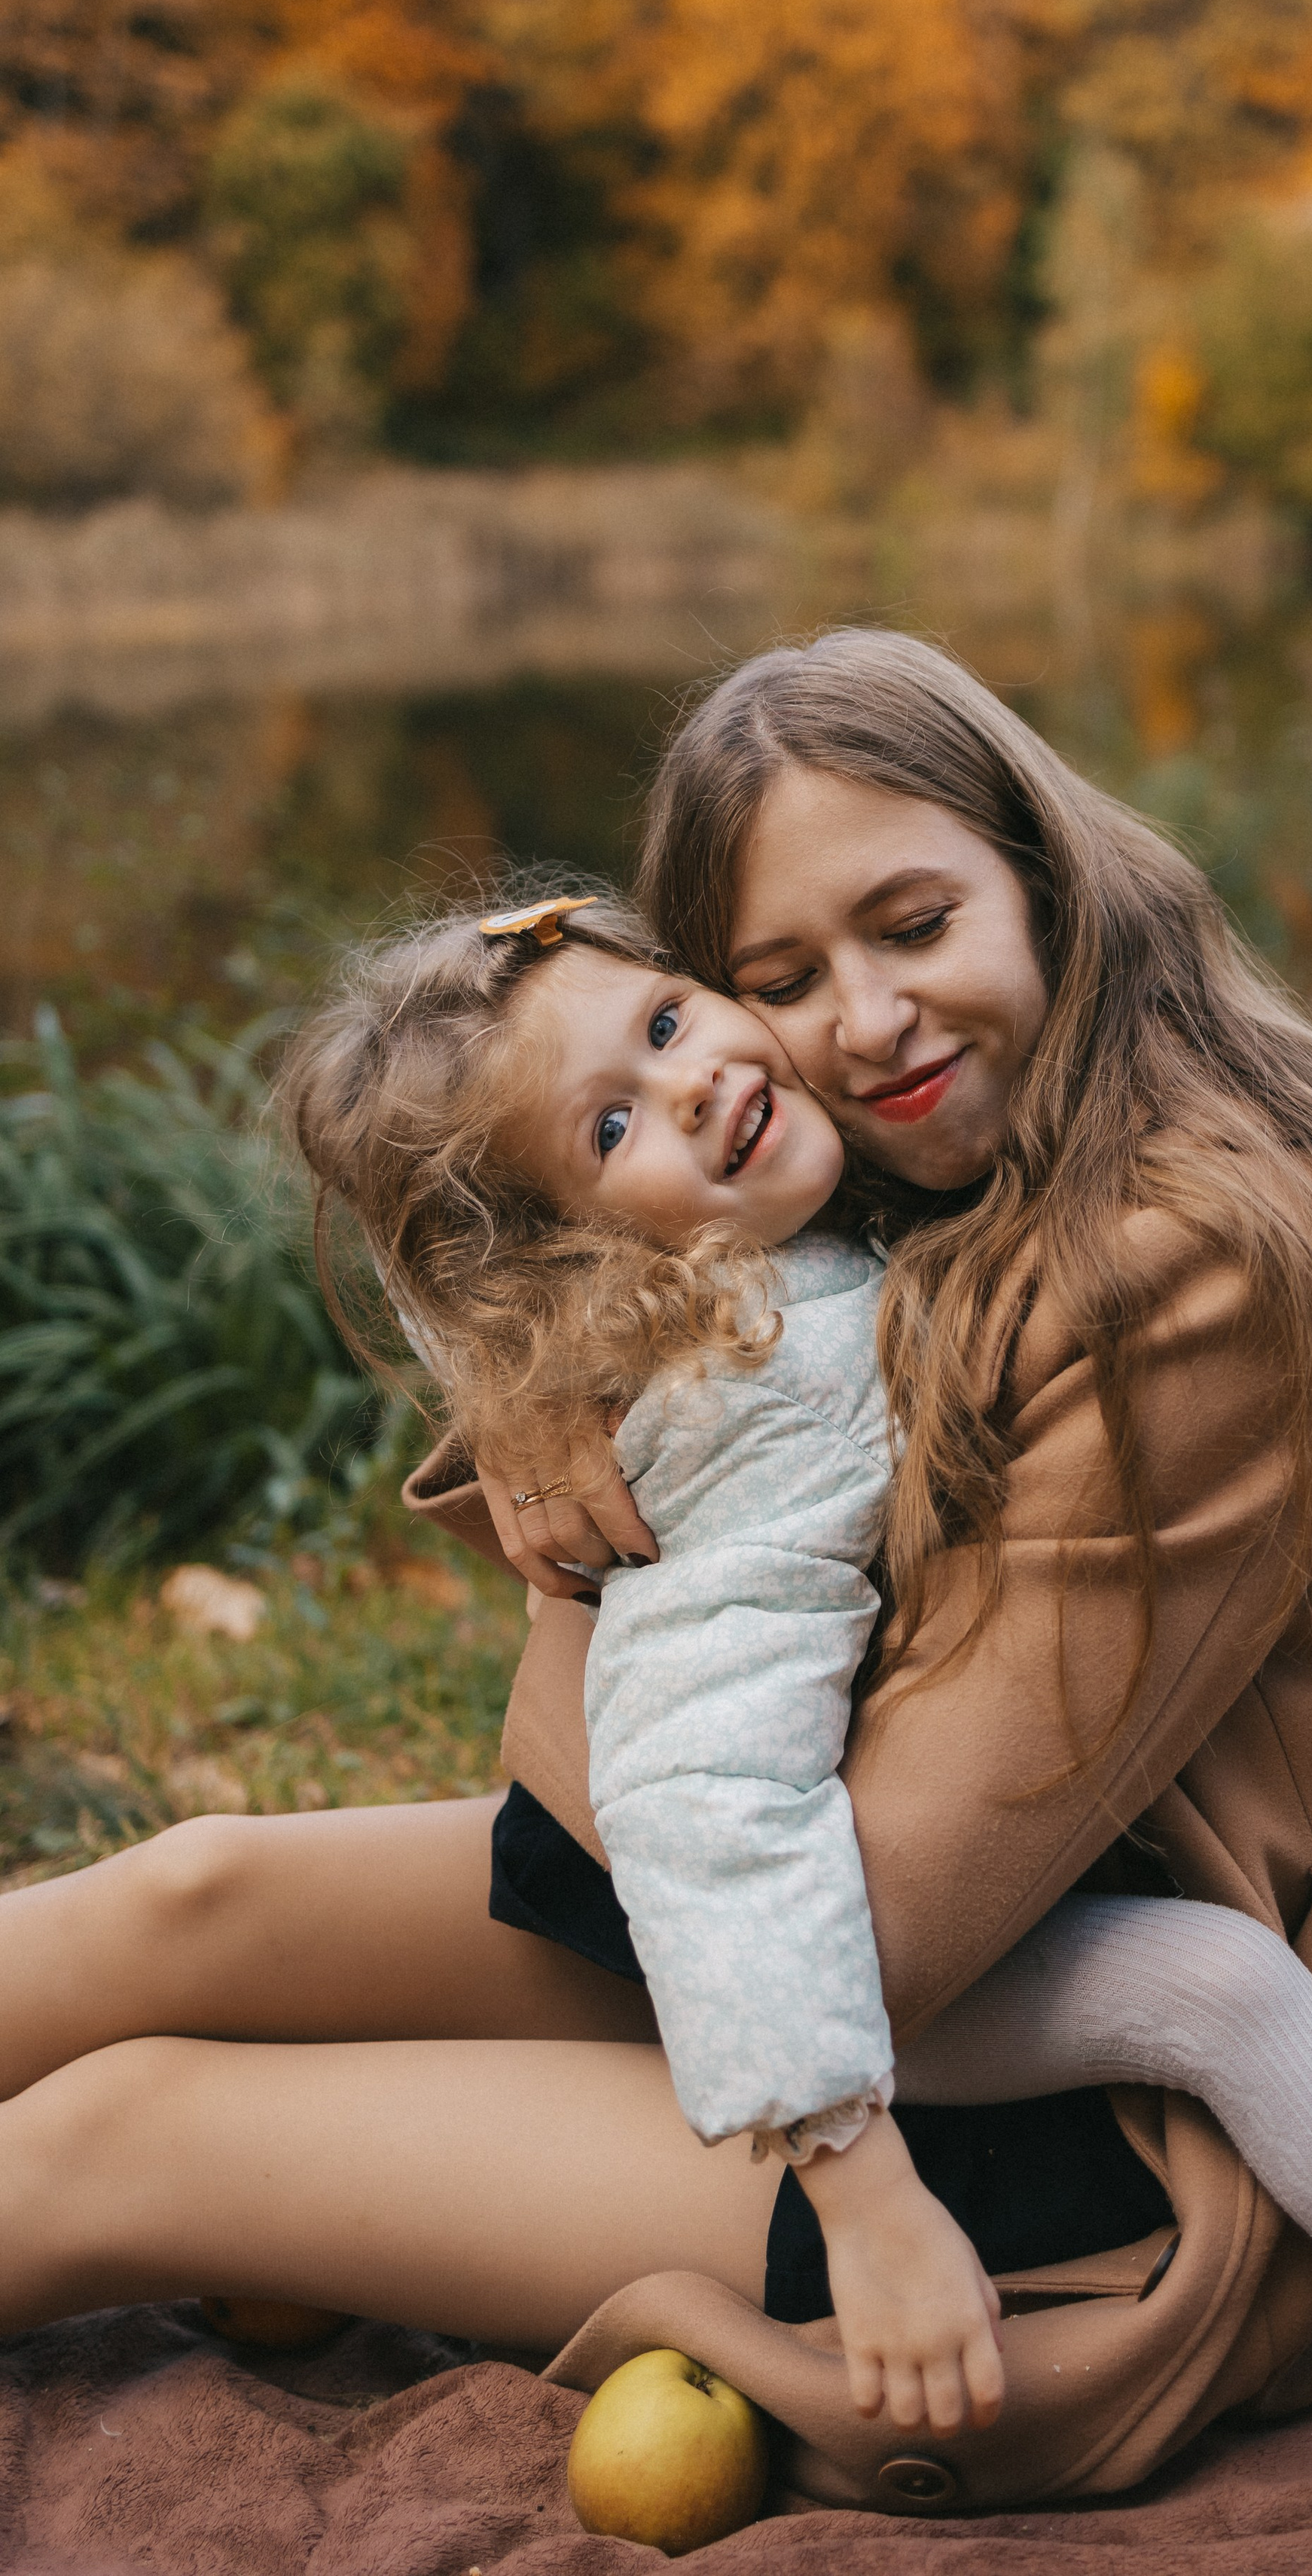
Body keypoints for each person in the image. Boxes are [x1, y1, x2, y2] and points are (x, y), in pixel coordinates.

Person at [0, 631, 1312, 2573]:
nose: (861, 1021)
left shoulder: (1186, 1269)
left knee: (126, 2137)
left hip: (1092, 2138)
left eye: (913, 924)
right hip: (871, 1919)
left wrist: (601, 1558)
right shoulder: (903, 1164)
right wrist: (553, 1389)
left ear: (1041, 872)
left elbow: (859, 1910)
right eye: (775, 980)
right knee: (185, 1897)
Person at [275, 884, 1006, 2440]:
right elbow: (702, 1794)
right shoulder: (777, 1380)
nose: (691, 1084)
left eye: (669, 1020)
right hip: (752, 1948)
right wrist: (863, 2189)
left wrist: (517, 1378)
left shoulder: (813, 1235)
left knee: (193, 1919)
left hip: (758, 1936)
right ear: (565, 1250)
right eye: (610, 1128)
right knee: (181, 1958)